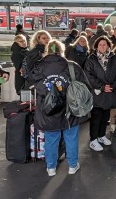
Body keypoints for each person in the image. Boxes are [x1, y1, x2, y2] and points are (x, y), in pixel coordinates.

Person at [30, 40, 91, 177]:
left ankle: (51, 167)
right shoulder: (72, 66)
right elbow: (85, 86)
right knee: (71, 138)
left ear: (47, 51)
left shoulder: (38, 67)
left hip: (48, 110)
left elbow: (34, 84)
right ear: (61, 51)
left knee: (51, 138)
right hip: (70, 109)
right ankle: (72, 166)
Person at [84, 36, 116, 152]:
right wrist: (101, 86)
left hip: (110, 92)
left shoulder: (114, 59)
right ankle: (93, 140)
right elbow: (88, 75)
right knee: (96, 117)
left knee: (105, 116)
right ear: (96, 46)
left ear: (108, 46)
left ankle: (101, 136)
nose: (102, 46)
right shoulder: (91, 59)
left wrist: (113, 86)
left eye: (104, 44)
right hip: (97, 92)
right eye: (100, 44)